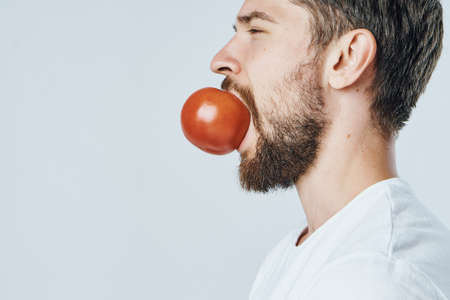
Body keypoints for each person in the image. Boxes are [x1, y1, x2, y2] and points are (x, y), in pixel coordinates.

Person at [209, 0, 450, 299]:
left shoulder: (371, 279)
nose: (219, 60)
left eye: (257, 29)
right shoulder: (300, 252)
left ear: (346, 59)